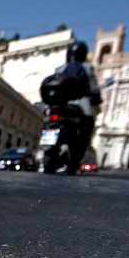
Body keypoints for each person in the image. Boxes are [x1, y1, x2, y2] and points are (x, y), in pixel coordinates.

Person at [54, 41, 101, 171]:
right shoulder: (86, 67)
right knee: (87, 125)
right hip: (80, 101)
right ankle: (77, 153)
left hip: (61, 103)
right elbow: (93, 87)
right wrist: (96, 97)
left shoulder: (60, 68)